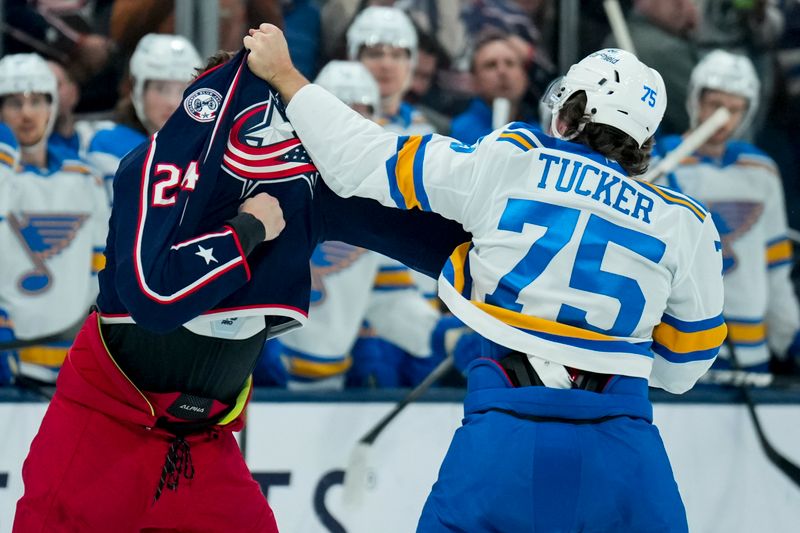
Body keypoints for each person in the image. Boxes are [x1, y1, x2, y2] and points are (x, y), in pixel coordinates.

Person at [245, 29, 726, 531]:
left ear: (569, 112)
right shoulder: (685, 221)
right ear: (644, 142)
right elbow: (681, 370)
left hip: (503, 437)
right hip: (624, 455)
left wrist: (285, 74)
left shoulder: (512, 158)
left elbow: (357, 160)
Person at [13, 49, 469, 531]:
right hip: (103, 430)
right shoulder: (149, 169)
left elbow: (407, 229)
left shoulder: (303, 187)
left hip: (203, 445)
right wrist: (246, 230)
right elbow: (156, 297)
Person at [270, 60, 472, 389]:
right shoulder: (274, 179)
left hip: (323, 385)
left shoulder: (375, 202)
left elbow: (386, 298)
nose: (349, 121)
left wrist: (440, 336)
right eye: (340, 109)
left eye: (360, 113)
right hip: (253, 369)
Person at [655, 49, 800, 373]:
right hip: (680, 346)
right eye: (716, 105)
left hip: (750, 348)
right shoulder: (661, 164)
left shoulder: (762, 170)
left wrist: (788, 333)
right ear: (695, 100)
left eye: (735, 109)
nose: (724, 118)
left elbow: (775, 263)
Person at [0, 53, 109, 385]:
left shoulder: (86, 178)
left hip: (73, 357)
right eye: (14, 102)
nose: (27, 113)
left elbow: (100, 268)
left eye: (38, 100)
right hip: (10, 353)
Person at [86, 33, 202, 202]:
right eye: (161, 89)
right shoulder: (108, 143)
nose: (171, 102)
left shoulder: (205, 147)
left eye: (183, 90)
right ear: (138, 89)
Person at [450, 33, 537, 146]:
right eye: (491, 65)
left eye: (510, 63)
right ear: (474, 80)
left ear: (525, 76)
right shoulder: (455, 135)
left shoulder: (541, 131)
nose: (502, 71)